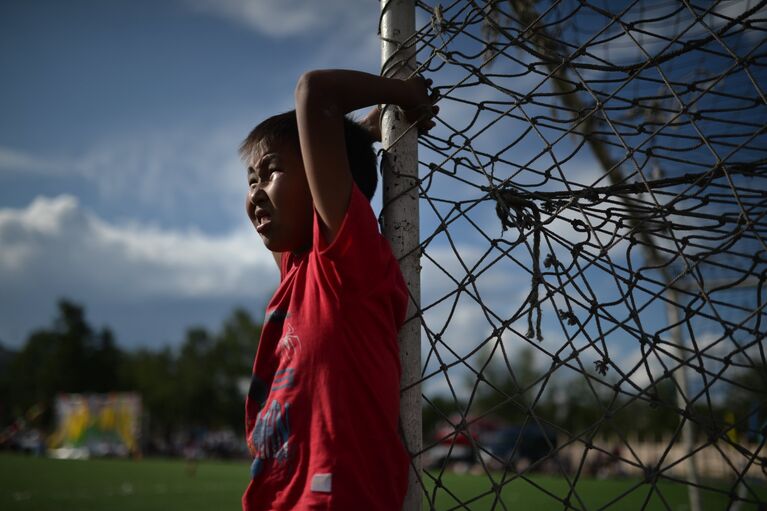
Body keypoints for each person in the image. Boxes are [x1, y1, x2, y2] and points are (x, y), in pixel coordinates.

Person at [239, 69, 437, 510]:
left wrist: (404, 94)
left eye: (269, 172)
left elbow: (316, 93)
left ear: (319, 172)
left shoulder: (343, 262)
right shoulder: (297, 268)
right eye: (250, 180)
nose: (254, 192)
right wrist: (362, 133)